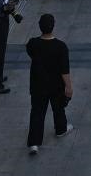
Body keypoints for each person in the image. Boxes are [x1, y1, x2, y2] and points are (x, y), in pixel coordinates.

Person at [26, 14, 73, 155]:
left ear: (40, 26)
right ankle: (61, 129)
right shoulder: (61, 47)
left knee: (37, 112)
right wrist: (68, 86)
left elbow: (31, 53)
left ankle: (34, 143)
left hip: (38, 84)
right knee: (58, 108)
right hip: (55, 85)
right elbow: (64, 70)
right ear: (53, 26)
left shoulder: (33, 43)